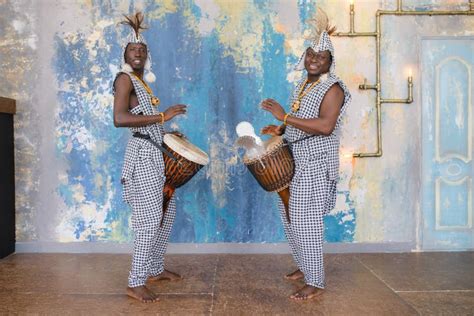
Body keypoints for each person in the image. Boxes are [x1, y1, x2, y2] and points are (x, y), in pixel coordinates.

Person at [261, 8, 351, 301]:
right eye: (311, 54)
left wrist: (286, 118)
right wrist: (281, 130)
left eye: (320, 57)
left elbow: (325, 126)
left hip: (315, 163)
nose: (314, 60)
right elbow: (302, 122)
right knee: (288, 215)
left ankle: (316, 281)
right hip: (295, 158)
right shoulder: (304, 83)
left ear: (329, 61)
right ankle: (304, 265)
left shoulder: (333, 88)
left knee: (305, 220)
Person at [113, 12, 186, 303]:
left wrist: (166, 132)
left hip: (154, 153)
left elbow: (145, 120)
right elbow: (119, 118)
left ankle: (154, 268)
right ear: (125, 55)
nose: (138, 53)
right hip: (141, 157)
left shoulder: (142, 84)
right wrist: (161, 116)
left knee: (166, 214)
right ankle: (135, 281)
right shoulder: (124, 79)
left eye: (142, 50)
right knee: (149, 219)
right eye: (133, 50)